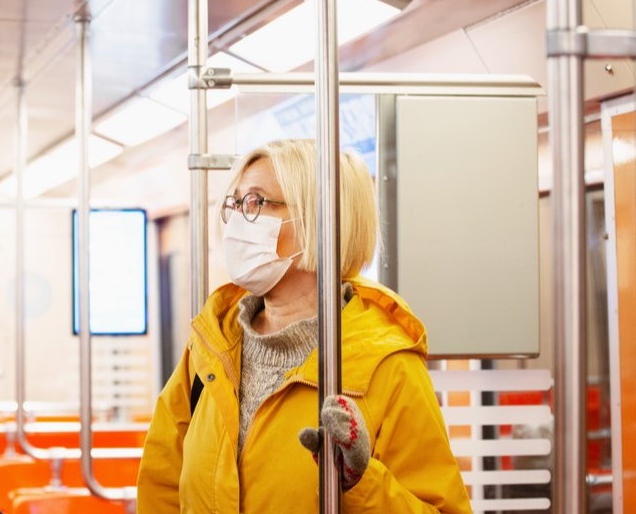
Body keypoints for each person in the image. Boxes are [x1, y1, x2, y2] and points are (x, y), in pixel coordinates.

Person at [136, 139, 471, 513]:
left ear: (319, 220)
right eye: (236, 203)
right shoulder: (210, 350)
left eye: (257, 203)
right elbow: (162, 487)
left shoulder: (387, 367)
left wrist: (361, 484)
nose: (237, 221)